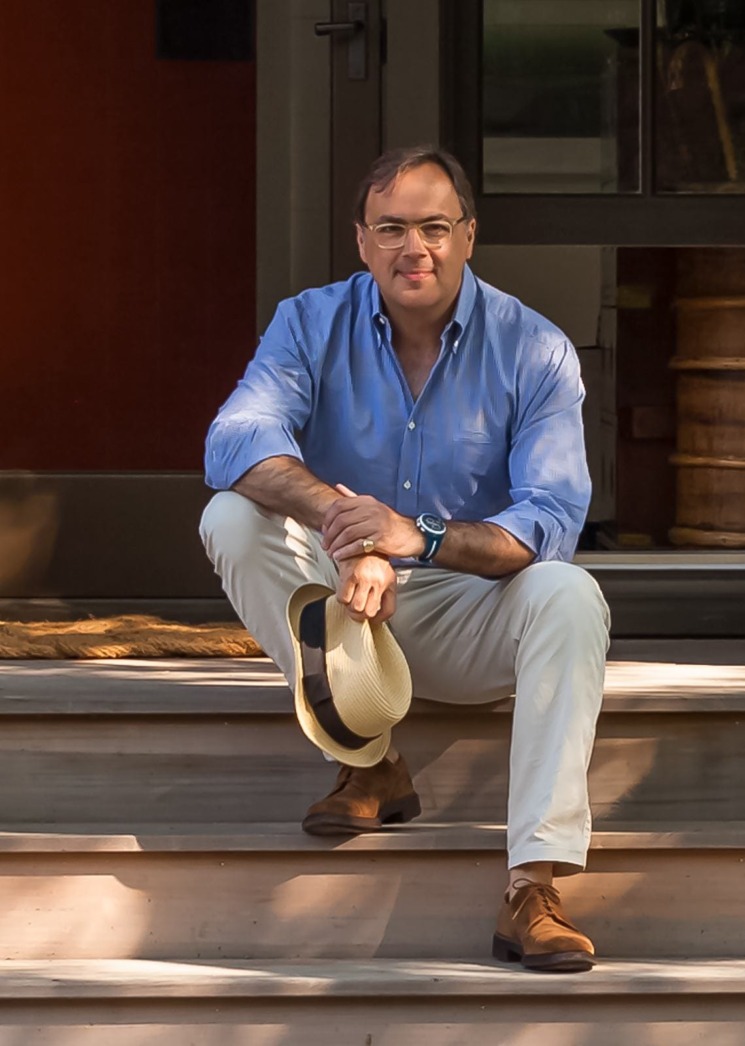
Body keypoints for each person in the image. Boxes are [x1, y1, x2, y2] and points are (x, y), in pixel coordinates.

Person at [200, 145, 610, 973]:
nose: (411, 248)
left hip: (466, 607)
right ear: (361, 240)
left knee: (569, 592)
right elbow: (235, 440)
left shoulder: (535, 348)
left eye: (433, 227)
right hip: (342, 602)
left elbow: (550, 521)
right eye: (391, 228)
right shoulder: (309, 322)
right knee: (232, 517)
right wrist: (347, 524)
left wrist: (412, 535)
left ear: (468, 236)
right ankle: (371, 763)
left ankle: (533, 885)